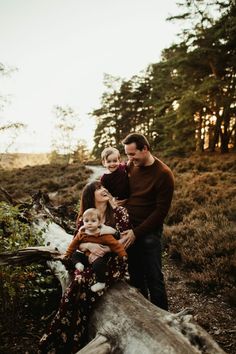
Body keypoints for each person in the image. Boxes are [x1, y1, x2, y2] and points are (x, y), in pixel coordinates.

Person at [39, 181, 130, 353]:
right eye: (98, 189)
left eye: (104, 187)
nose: (104, 189)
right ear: (90, 196)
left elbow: (124, 241)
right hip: (88, 258)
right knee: (78, 280)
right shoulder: (84, 218)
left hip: (112, 260)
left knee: (82, 282)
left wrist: (104, 249)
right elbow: (77, 242)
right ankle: (65, 333)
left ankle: (74, 333)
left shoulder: (119, 212)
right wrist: (89, 247)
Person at [120, 133, 174, 310]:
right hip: (129, 228)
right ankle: (143, 316)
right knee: (136, 276)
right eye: (127, 154)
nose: (129, 158)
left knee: (154, 278)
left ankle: (164, 320)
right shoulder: (131, 166)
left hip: (149, 231)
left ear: (145, 149)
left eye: (132, 154)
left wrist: (137, 233)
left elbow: (160, 212)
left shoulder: (164, 174)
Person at [66, 207, 127, 292]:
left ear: (99, 223)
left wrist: (122, 254)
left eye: (93, 221)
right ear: (83, 222)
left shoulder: (104, 234)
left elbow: (115, 244)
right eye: (86, 221)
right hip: (86, 256)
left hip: (98, 256)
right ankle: (78, 264)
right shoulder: (82, 233)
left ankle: (101, 282)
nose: (89, 223)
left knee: (99, 264)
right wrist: (67, 254)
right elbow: (73, 244)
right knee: (75, 255)